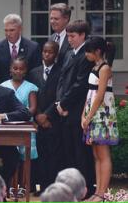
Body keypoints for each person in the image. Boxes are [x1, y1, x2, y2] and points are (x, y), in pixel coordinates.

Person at [53, 20, 95, 197]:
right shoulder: (70, 53)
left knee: (80, 153)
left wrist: (64, 104)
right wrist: (58, 102)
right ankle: (71, 188)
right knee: (68, 151)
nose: (69, 39)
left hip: (77, 110)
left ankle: (85, 190)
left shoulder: (86, 56)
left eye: (72, 36)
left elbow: (80, 85)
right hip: (64, 108)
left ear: (83, 35)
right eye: (68, 36)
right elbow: (61, 80)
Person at [81, 36, 119, 202]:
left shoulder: (104, 68)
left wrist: (89, 116)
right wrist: (83, 114)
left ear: (97, 51)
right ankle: (97, 192)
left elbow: (100, 94)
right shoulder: (95, 67)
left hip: (102, 115)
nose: (86, 55)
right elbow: (90, 94)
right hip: (91, 114)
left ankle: (102, 193)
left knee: (103, 154)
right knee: (96, 154)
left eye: (88, 52)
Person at [0, 57, 38, 195]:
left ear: (25, 71)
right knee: (10, 157)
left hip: (26, 127)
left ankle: (23, 186)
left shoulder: (30, 87)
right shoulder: (3, 86)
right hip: (7, 128)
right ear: (10, 69)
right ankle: (10, 186)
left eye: (21, 69)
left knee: (24, 158)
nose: (18, 71)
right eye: (15, 68)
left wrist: (20, 115)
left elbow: (32, 109)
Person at [28, 41, 63, 192]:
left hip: (53, 119)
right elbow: (32, 95)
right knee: (40, 155)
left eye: (51, 52)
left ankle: (52, 187)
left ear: (56, 55)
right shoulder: (33, 72)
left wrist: (47, 115)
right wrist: (38, 116)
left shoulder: (61, 71)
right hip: (38, 120)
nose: (47, 54)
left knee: (53, 155)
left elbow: (60, 95)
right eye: (45, 51)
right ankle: (42, 187)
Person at [0, 13, 41, 84]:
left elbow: (37, 73)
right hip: (4, 90)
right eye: (6, 30)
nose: (8, 34)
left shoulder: (33, 47)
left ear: (20, 29)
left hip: (27, 90)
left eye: (12, 30)